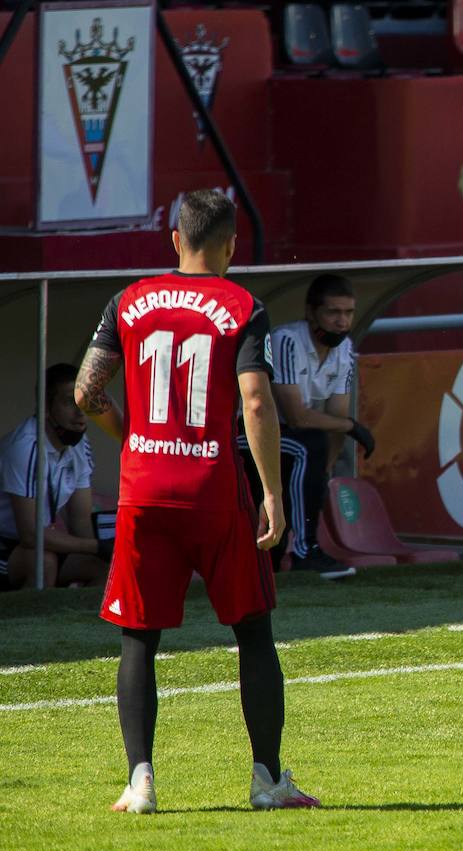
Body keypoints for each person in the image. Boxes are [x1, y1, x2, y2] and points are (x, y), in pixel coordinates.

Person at [75, 188, 320, 814]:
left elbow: (85, 391)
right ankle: (267, 779)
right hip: (213, 489)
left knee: (139, 638)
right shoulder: (241, 305)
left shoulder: (127, 300)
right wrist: (270, 490)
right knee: (253, 630)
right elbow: (257, 401)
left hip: (145, 488)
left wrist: (130, 434)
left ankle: (140, 782)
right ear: (232, 246)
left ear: (175, 240)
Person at [238, 273, 372, 579]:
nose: (342, 321)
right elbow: (296, 416)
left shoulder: (345, 349)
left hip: (293, 441)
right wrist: (352, 427)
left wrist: (322, 472)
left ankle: (294, 549)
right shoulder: (287, 340)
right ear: (311, 312)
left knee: (311, 448)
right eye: (333, 312)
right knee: (307, 444)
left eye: (348, 313)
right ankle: (306, 550)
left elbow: (336, 419)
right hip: (247, 433)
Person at [0, 363, 110, 589]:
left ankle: (77, 624)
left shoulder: (79, 444)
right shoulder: (26, 447)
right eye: (70, 402)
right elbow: (30, 535)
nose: (80, 412)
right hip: (7, 545)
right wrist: (99, 546)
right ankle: (35, 625)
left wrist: (101, 552)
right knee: (44, 564)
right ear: (46, 408)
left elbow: (80, 521)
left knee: (104, 568)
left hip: (36, 544)